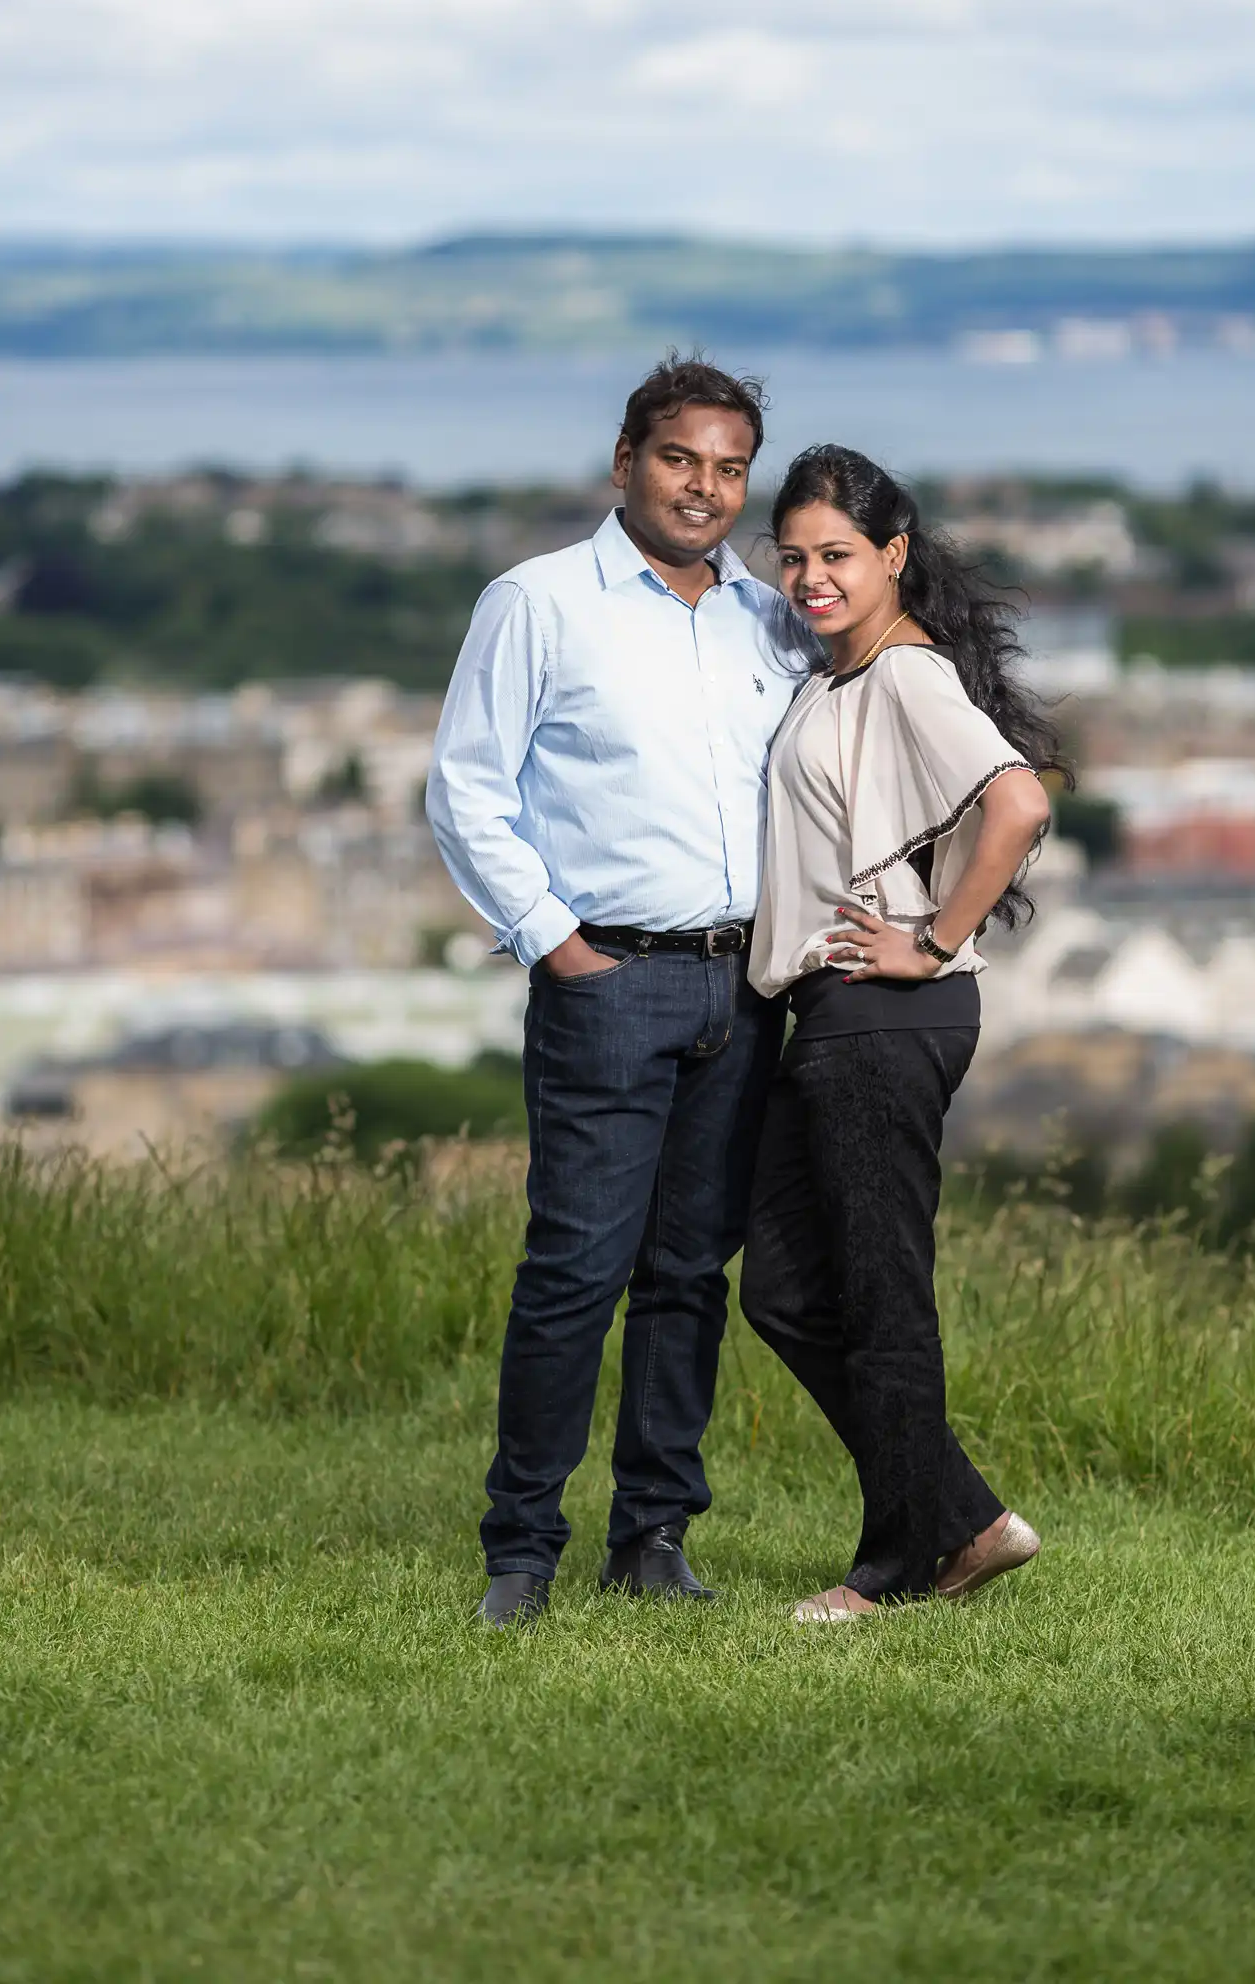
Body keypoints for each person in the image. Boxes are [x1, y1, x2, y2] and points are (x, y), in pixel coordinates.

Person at [427, 356, 809, 1629]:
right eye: (679, 460)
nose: (705, 488)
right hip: (609, 981)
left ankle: (651, 1536)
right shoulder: (539, 602)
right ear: (624, 463)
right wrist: (555, 944)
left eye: (728, 467)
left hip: (741, 986)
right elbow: (465, 788)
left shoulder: (769, 617)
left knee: (689, 1274)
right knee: (574, 1271)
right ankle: (521, 1548)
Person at [741, 445, 1068, 1623]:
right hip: (830, 1017)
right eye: (792, 555)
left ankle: (889, 1567)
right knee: (780, 1288)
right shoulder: (839, 679)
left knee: (881, 1292)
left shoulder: (907, 677)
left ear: (892, 555)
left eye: (835, 554)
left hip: (887, 1013)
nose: (810, 576)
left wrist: (928, 940)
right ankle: (966, 1517)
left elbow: (1019, 800)